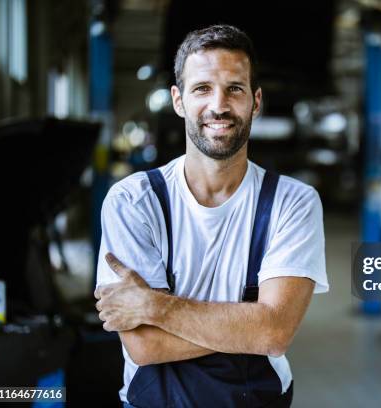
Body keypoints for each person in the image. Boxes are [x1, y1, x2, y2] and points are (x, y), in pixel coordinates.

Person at [93, 25, 328, 408]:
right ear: (178, 100)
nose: (218, 105)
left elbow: (273, 333)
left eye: (234, 88)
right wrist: (244, 328)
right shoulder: (133, 200)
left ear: (255, 101)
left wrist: (156, 307)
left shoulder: (293, 202)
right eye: (202, 88)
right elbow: (144, 345)